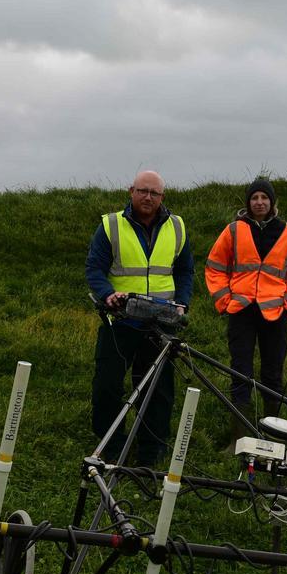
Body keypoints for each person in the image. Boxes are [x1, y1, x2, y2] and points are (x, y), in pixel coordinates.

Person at [85, 169, 191, 465]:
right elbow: (94, 268)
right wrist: (108, 295)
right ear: (131, 191)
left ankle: (150, 454)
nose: (148, 197)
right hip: (120, 321)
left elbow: (185, 270)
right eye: (142, 191)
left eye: (154, 193)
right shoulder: (111, 226)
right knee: (107, 386)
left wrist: (182, 303)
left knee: (158, 391)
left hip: (161, 324)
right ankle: (112, 447)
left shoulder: (177, 227)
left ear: (162, 197)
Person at [205, 176, 287, 437]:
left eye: (264, 198)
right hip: (241, 311)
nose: (259, 202)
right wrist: (224, 301)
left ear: (272, 203)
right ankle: (240, 437)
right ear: (248, 202)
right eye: (255, 198)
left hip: (275, 314)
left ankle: (272, 436)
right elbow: (215, 266)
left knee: (273, 374)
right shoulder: (234, 230)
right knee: (240, 372)